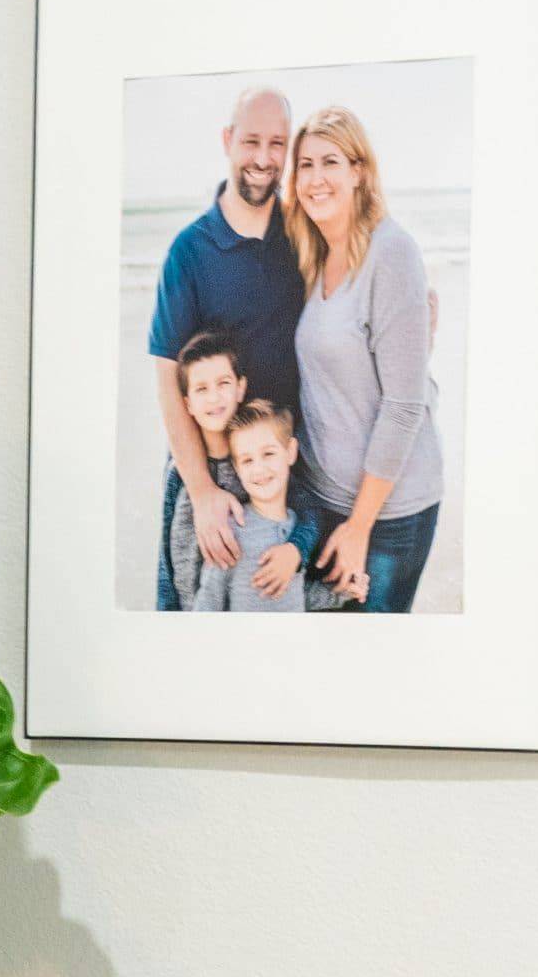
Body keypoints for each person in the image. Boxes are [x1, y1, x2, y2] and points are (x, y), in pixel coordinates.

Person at [146, 87, 304, 609]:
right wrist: (202, 491)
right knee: (197, 613)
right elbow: (169, 380)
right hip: (211, 471)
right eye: (251, 141)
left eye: (277, 144)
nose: (263, 159)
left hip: (284, 464)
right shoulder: (189, 250)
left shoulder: (302, 234)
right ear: (227, 141)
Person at [287, 104, 443, 609]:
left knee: (370, 666)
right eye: (305, 165)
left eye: (330, 162)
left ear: (359, 172)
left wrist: (359, 526)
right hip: (321, 503)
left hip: (388, 515)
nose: (315, 179)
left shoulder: (392, 252)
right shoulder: (311, 253)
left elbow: (403, 405)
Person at [161, 328, 304, 606]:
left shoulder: (257, 463)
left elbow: (305, 510)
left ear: (240, 388)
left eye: (223, 383)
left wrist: (297, 550)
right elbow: (165, 563)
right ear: (187, 404)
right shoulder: (182, 471)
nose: (214, 398)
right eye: (202, 388)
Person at [190, 400, 313, 613]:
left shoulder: (297, 525)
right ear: (236, 468)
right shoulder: (230, 530)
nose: (259, 468)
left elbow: (295, 592)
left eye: (268, 454)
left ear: (290, 451)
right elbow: (208, 603)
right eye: (247, 460)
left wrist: (339, 592)